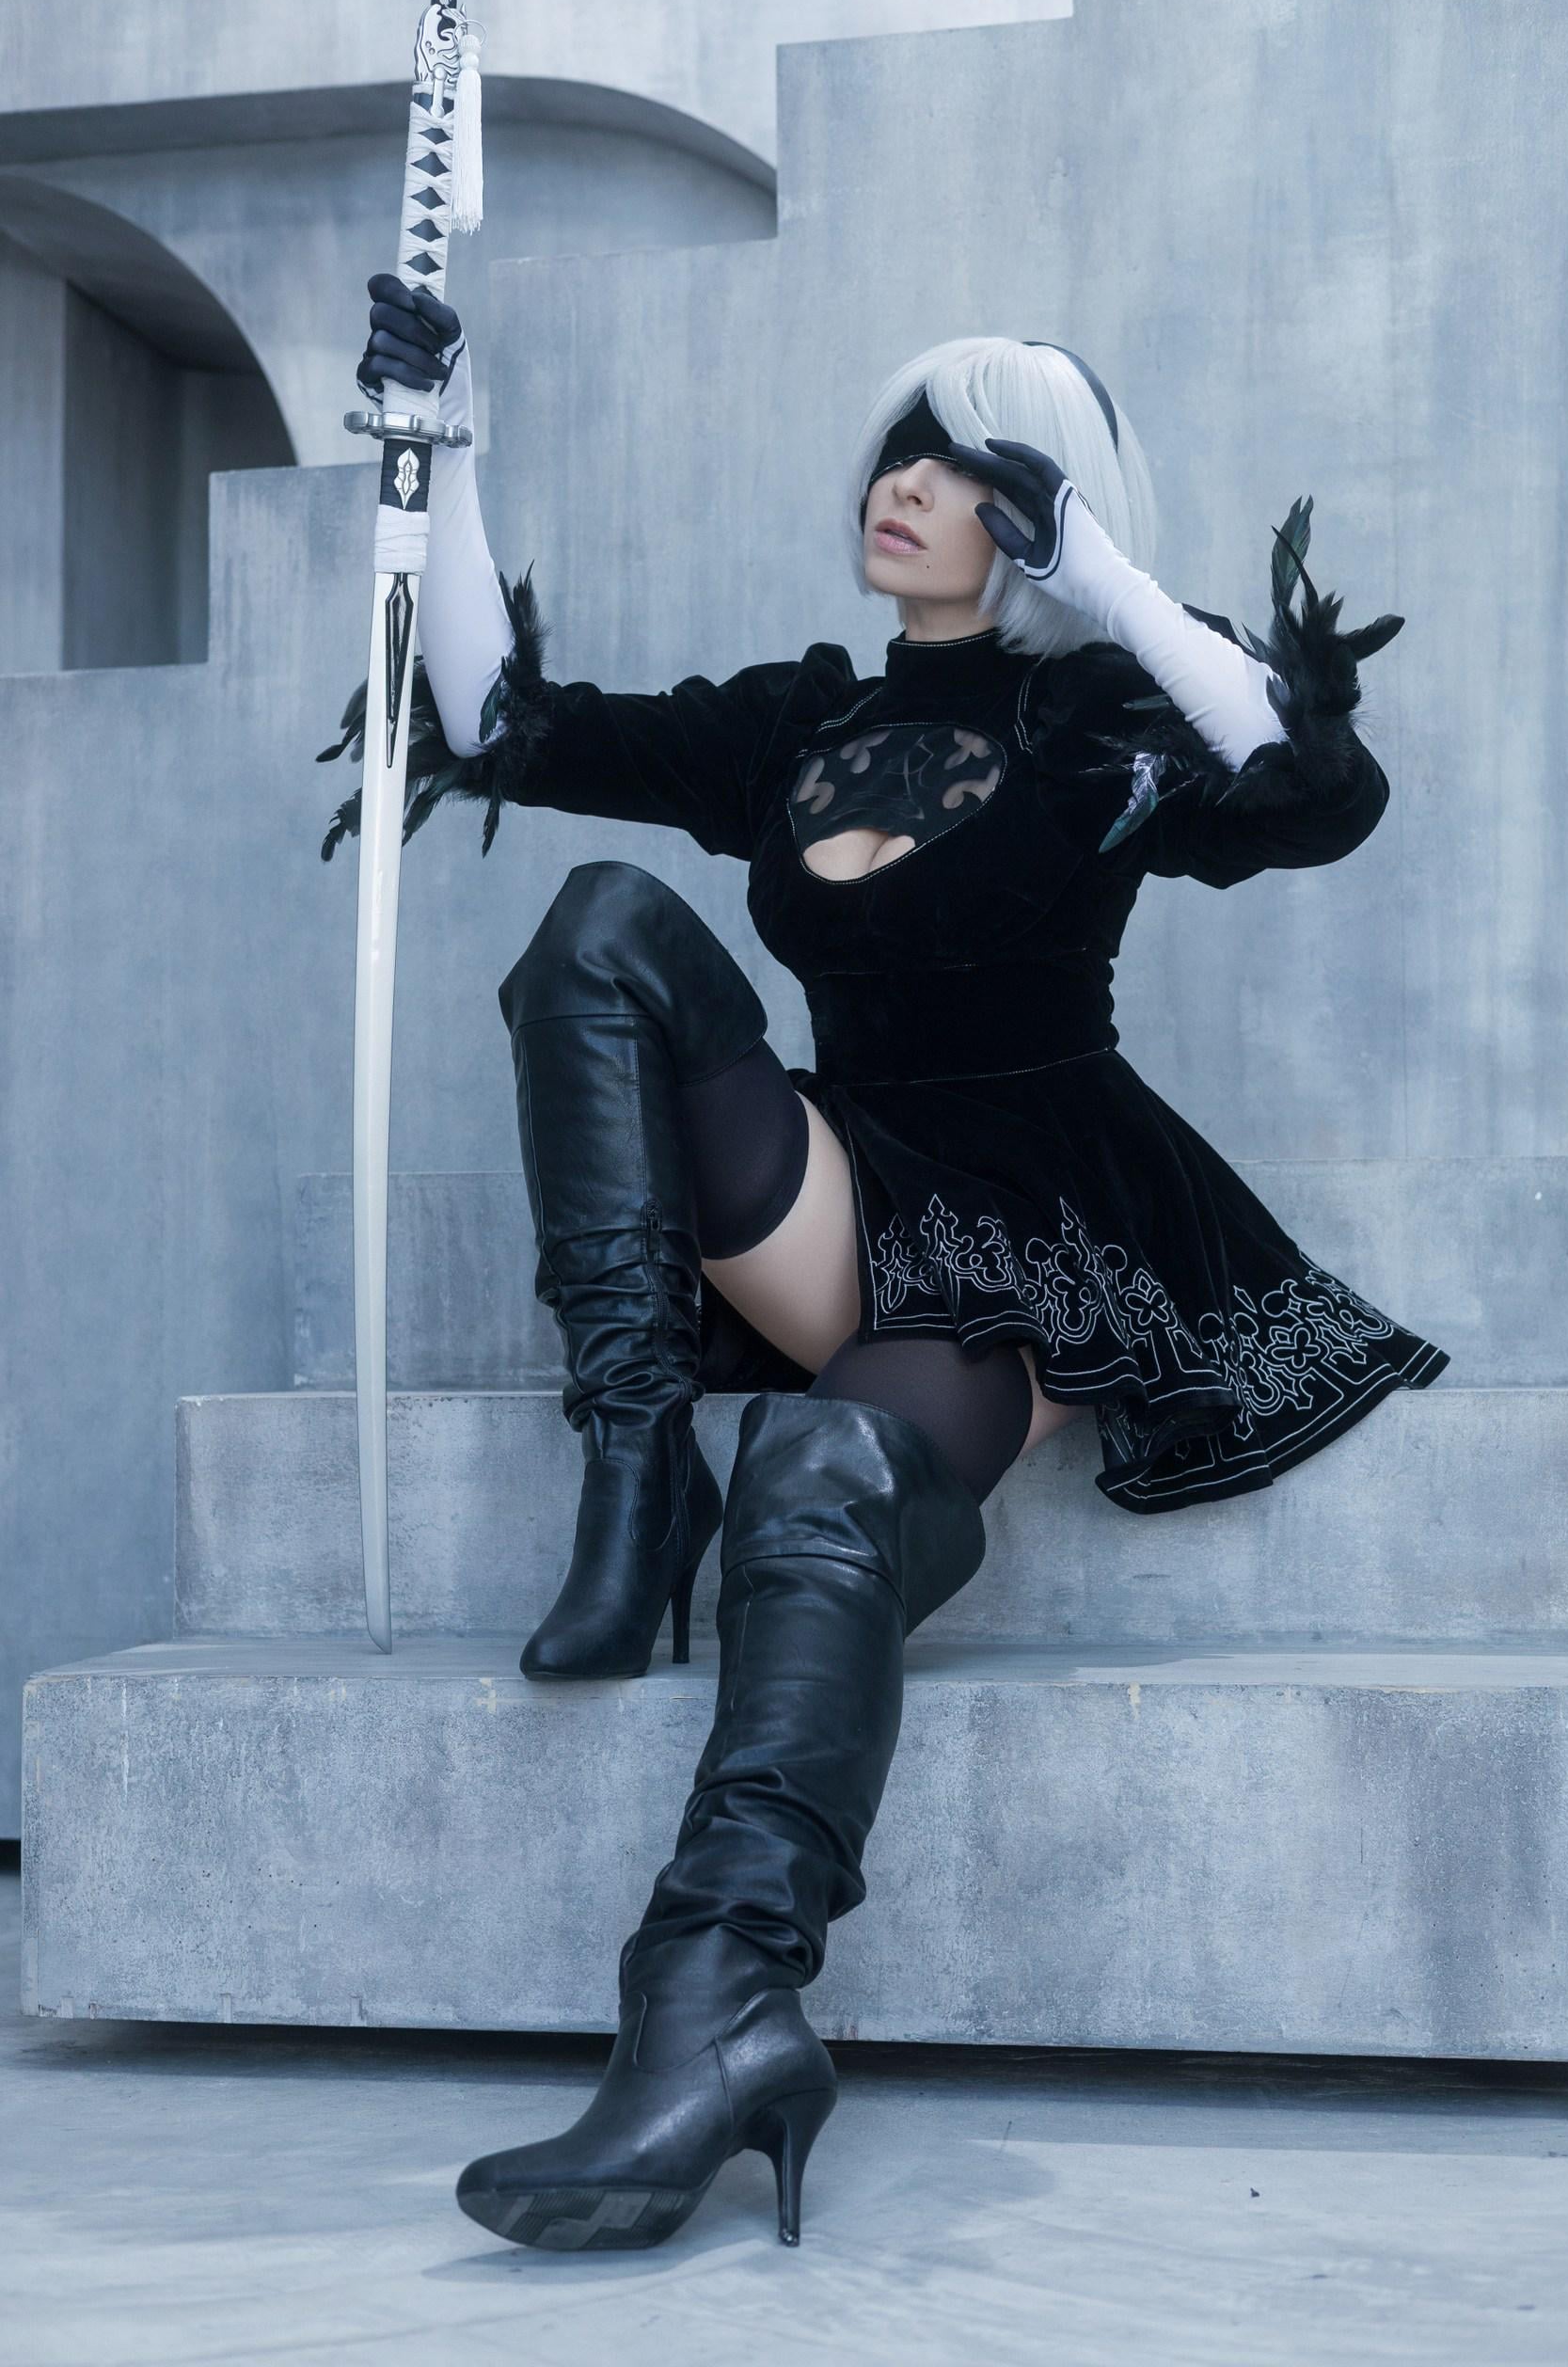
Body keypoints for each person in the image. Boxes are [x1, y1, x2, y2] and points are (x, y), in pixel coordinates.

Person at [317, 277, 1450, 2250]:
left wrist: (1100, 580)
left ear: (1039, 507)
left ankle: (715, 2009)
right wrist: (453, 441)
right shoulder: (804, 723)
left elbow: (1311, 785)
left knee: (831, 1469)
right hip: (838, 1185)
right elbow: (496, 720)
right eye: (899, 450)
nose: (905, 483)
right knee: (599, 920)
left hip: (1038, 1211)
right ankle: (635, 1470)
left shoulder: (1100, 715)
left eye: (967, 467)